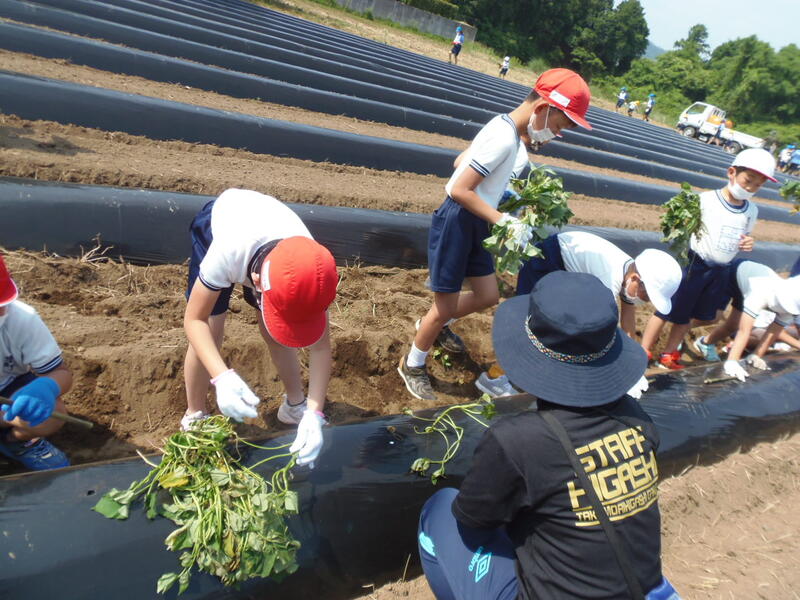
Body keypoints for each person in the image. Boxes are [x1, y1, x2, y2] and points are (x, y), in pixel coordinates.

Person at [418, 271, 677, 600]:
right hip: (638, 587)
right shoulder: (636, 418)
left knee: (439, 509)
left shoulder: (517, 441)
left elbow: (473, 520)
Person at [398, 69, 593, 402]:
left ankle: (435, 324)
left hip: (477, 221)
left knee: (487, 295)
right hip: (457, 222)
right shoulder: (504, 137)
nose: (554, 135)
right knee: (443, 306)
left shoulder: (509, 134)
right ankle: (413, 363)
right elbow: (458, 189)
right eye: (558, 126)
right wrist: (503, 219)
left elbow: (461, 161)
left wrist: (498, 199)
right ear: (543, 108)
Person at [182, 188, 338, 467]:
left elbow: (321, 347)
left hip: (275, 249)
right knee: (211, 330)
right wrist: (222, 377)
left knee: (276, 334)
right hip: (222, 221)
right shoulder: (228, 250)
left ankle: (295, 406)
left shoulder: (312, 273)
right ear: (256, 283)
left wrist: (314, 413)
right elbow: (195, 320)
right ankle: (195, 415)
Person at [476, 232, 681, 398]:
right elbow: (603, 332)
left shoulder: (628, 275)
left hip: (568, 274)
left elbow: (628, 322)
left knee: (560, 329)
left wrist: (633, 366)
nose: (645, 301)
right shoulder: (608, 279)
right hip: (547, 260)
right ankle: (495, 379)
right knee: (530, 323)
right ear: (636, 279)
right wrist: (618, 377)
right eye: (647, 295)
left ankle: (540, 376)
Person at [641, 148, 777, 370]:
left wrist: (748, 243)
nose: (750, 188)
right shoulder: (706, 200)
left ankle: (669, 354)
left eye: (757, 185)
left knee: (690, 315)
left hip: (721, 269)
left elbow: (745, 235)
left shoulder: (751, 211)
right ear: (731, 173)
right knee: (668, 308)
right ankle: (644, 349)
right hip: (695, 264)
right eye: (748, 180)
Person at [0, 255, 72, 471]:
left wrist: (46, 387)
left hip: (9, 392)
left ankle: (15, 442)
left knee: (52, 415)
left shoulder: (21, 319)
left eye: (2, 305)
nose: (2, 312)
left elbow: (61, 373)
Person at [694, 260, 800, 381]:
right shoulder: (761, 294)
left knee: (733, 325)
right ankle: (681, 328)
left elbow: (773, 332)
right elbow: (744, 330)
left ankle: (705, 343)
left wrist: (756, 355)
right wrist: (732, 361)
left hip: (745, 287)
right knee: (712, 318)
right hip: (732, 274)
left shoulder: (791, 309)